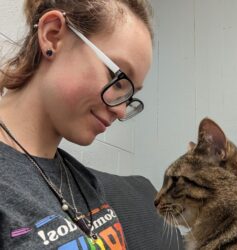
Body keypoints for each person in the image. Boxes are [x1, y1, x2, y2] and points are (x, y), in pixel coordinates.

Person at [0, 1, 184, 249]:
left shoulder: (82, 180)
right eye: (118, 80)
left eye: (129, 96)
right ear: (52, 36)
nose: (120, 111)